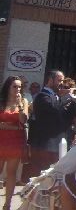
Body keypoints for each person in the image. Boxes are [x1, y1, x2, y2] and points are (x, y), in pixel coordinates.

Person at [27, 70, 76, 179]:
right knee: (39, 175)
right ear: (50, 80)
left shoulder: (56, 96)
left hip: (57, 142)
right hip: (43, 143)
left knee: (51, 176)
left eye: (62, 80)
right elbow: (54, 109)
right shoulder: (42, 96)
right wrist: (68, 97)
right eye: (59, 80)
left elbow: (64, 116)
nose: (61, 83)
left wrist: (74, 102)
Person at [0, 76, 29, 210]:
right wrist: (12, 126)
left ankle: (7, 204)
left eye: (19, 87)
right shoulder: (1, 101)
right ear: (8, 87)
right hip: (1, 140)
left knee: (11, 173)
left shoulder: (23, 101)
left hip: (15, 142)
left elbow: (23, 121)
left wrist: (20, 106)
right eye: (14, 86)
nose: (17, 89)